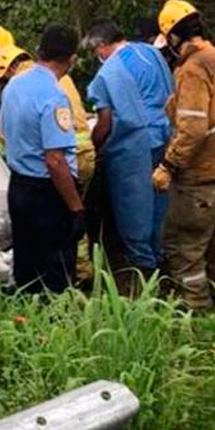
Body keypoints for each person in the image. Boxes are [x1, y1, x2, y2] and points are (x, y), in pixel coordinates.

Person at [152, 0, 215, 311]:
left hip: (200, 177)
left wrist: (168, 165)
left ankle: (196, 309)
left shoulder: (191, 69)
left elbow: (193, 129)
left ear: (173, 37)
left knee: (184, 246)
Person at [0, 25, 85, 293]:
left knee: (26, 267)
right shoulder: (55, 97)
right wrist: (75, 208)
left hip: (18, 187)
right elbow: (55, 161)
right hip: (47, 194)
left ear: (39, 51)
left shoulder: (14, 84)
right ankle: (56, 327)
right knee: (56, 271)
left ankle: (24, 321)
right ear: (72, 59)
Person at [84, 21, 174, 272]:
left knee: (133, 202)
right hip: (166, 132)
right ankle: (159, 252)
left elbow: (105, 121)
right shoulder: (151, 53)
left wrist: (94, 146)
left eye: (95, 52)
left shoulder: (108, 74)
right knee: (160, 193)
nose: (97, 57)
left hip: (133, 142)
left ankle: (142, 262)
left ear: (101, 47)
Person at [0, 44, 96, 185]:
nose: (5, 83)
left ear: (10, 68)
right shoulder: (60, 76)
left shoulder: (18, 85)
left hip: (62, 162)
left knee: (68, 203)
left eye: (4, 79)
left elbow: (0, 135)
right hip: (86, 156)